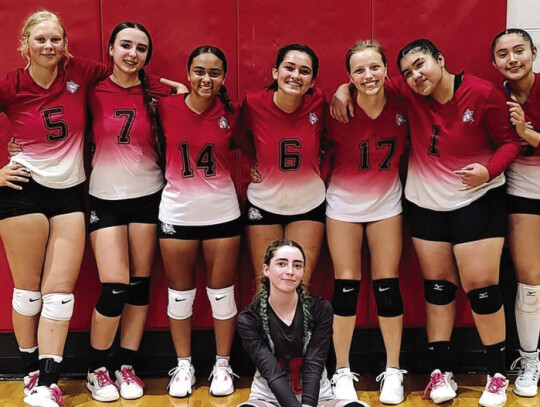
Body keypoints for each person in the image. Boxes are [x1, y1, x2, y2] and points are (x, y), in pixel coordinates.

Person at [331, 38, 520, 407]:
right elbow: (368, 78)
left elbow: (509, 142)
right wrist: (342, 87)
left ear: (441, 59)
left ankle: (496, 373)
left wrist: (488, 170)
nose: (416, 76)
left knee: (482, 288)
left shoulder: (483, 93)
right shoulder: (407, 90)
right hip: (425, 203)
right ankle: (439, 370)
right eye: (407, 72)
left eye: (421, 65)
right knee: (438, 288)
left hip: (476, 199)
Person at [0, 10, 110, 407]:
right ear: (25, 44)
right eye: (41, 39)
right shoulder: (11, 84)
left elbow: (126, 78)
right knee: (28, 292)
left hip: (69, 193)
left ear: (65, 44)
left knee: (60, 293)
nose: (49, 46)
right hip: (22, 191)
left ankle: (49, 382)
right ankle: (31, 372)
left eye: (56, 40)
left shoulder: (79, 71)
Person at [83, 22, 174, 402]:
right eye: (125, 45)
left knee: (139, 285)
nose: (132, 54)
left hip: (148, 195)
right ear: (110, 49)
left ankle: (126, 365)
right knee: (114, 285)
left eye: (140, 48)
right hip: (105, 196)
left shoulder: (160, 94)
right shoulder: (92, 90)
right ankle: (97, 368)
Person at [325, 41, 408, 404]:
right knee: (346, 287)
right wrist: (340, 91)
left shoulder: (405, 100)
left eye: (374, 67)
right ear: (349, 76)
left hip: (386, 204)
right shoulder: (337, 107)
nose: (367, 76)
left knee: (387, 287)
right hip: (342, 205)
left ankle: (393, 370)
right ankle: (341, 370)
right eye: (358, 71)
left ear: (386, 68)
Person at [158, 45, 241, 398]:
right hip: (177, 212)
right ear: (188, 73)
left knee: (222, 295)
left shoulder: (233, 112)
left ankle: (223, 365)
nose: (206, 79)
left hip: (222, 212)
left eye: (214, 73)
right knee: (180, 296)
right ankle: (184, 365)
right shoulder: (164, 107)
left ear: (223, 77)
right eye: (199, 71)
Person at [236, 239, 370, 407]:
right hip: (269, 399)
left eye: (297, 265)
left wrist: (307, 405)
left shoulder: (321, 309)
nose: (290, 271)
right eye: (282, 264)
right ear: (266, 270)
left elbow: (314, 364)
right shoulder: (249, 318)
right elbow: (271, 372)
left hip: (317, 399)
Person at [242, 44, 326, 282]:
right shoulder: (254, 103)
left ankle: (300, 322)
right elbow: (240, 137)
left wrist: (342, 89)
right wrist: (257, 161)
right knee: (266, 284)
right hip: (264, 202)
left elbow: (332, 140)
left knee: (298, 283)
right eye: (289, 68)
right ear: (275, 72)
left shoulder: (318, 102)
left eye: (304, 71)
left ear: (312, 80)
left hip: (308, 204)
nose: (296, 76)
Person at [491, 29, 540, 398]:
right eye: (503, 54)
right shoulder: (493, 97)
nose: (512, 59)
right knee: (529, 279)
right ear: (494, 63)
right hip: (522, 191)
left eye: (519, 50)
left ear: (534, 53)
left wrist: (528, 133)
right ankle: (529, 358)